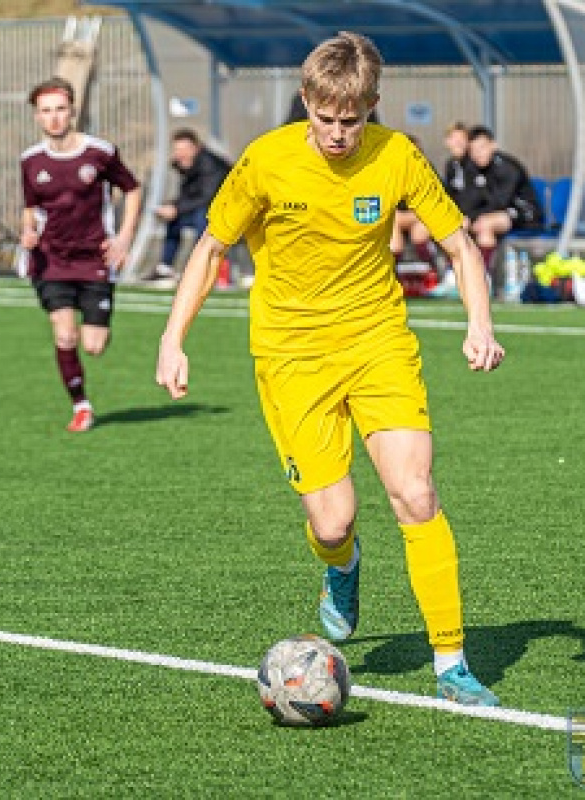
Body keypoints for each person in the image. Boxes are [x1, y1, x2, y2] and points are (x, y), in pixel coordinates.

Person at [156, 32, 505, 706]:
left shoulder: (397, 155)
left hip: (378, 342)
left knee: (416, 493)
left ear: (372, 105)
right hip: (291, 356)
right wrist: (174, 339)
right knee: (332, 522)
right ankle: (340, 566)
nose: (340, 134)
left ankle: (452, 663)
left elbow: (459, 245)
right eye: (326, 119)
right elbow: (208, 249)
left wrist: (479, 323)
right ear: (306, 102)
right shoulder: (266, 162)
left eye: (353, 119)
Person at [19, 77, 141, 433]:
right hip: (51, 259)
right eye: (46, 111)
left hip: (94, 259)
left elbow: (132, 190)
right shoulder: (30, 160)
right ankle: (82, 406)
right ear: (37, 117)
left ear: (72, 111)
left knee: (94, 346)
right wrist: (27, 231)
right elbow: (30, 208)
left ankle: (96, 325)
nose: (54, 117)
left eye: (60, 109)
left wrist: (123, 238)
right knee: (64, 335)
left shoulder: (99, 152)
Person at [146, 128, 232, 287]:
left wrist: (177, 209)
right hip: (206, 209)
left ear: (196, 148)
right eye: (177, 149)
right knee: (174, 221)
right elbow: (189, 195)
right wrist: (172, 207)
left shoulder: (210, 165)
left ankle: (204, 268)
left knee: (202, 217)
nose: (180, 154)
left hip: (226, 214)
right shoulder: (186, 166)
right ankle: (165, 269)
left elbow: (208, 197)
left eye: (185, 149)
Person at [464, 125, 544, 276]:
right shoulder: (473, 169)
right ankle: (457, 274)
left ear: (493, 145)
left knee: (484, 225)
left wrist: (473, 217)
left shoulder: (508, 167)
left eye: (482, 148)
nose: (477, 154)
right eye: (473, 150)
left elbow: (500, 203)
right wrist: (467, 217)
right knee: (461, 224)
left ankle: (484, 276)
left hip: (525, 214)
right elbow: (469, 200)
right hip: (496, 214)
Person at [389, 134, 434, 265]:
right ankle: (394, 269)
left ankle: (431, 269)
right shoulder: (393, 173)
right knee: (392, 221)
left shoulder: (426, 171)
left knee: (419, 230)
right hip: (402, 218)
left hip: (424, 215)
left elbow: (432, 202)